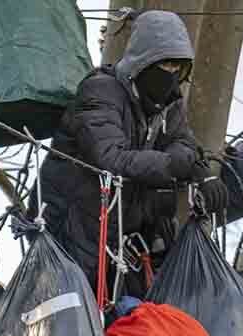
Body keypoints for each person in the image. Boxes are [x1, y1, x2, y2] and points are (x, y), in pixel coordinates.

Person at [31, 10, 228, 299]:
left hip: (124, 241)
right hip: (67, 232)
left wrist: (202, 173)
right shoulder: (101, 90)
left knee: (137, 330)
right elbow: (111, 157)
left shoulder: (168, 104)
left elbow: (186, 145)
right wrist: (175, 166)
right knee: (70, 330)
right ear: (144, 60)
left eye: (178, 67)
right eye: (165, 64)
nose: (170, 75)